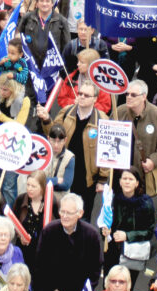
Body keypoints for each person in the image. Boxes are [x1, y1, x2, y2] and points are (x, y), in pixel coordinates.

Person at [34, 192, 103, 291]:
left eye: (69, 213)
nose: (64, 216)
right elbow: (40, 264)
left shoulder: (91, 235)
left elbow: (95, 268)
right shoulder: (49, 231)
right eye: (62, 211)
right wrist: (51, 288)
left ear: (80, 213)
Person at [37, 79, 107, 220]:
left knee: (82, 216)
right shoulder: (66, 112)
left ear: (95, 99)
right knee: (61, 212)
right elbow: (54, 134)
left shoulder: (102, 120)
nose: (81, 96)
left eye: (86, 95)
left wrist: (102, 179)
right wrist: (46, 120)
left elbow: (106, 151)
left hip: (87, 177)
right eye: (80, 93)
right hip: (65, 170)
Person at [99, 169, 155, 287]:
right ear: (119, 181)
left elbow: (149, 232)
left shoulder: (146, 203)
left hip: (132, 253)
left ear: (137, 183)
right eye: (124, 179)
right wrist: (104, 230)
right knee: (109, 286)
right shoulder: (112, 200)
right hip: (113, 251)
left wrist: (127, 236)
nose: (127, 182)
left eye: (131, 179)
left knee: (126, 287)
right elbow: (104, 221)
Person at [119, 80, 157, 198]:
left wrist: (153, 161)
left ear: (144, 96)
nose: (128, 97)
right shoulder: (119, 112)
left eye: (133, 95)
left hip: (143, 178)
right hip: (121, 178)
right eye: (127, 94)